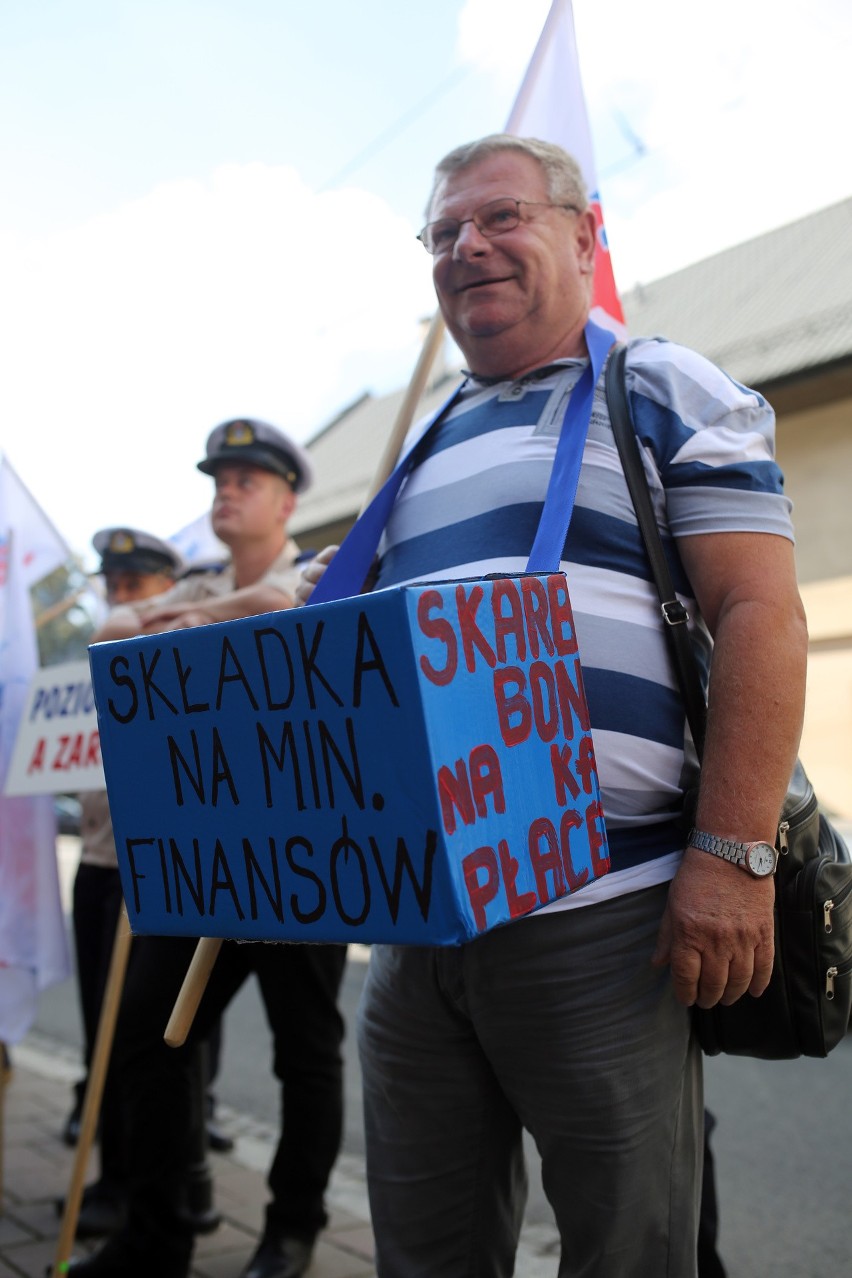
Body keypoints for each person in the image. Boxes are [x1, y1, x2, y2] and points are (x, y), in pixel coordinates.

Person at [298, 135, 808, 1277]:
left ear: (586, 234)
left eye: (500, 218)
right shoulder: (422, 438)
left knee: (628, 1252)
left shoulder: (660, 384)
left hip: (606, 914)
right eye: (443, 234)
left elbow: (763, 617)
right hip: (423, 929)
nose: (467, 246)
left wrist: (732, 858)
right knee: (426, 1255)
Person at [69, 419, 348, 1278]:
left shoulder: (325, 569)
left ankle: (293, 1228)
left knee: (305, 1051)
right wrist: (198, 606)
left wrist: (191, 616)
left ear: (287, 500)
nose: (226, 492)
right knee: (151, 1034)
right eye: (219, 480)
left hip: (304, 857)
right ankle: (161, 1228)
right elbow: (116, 630)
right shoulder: (197, 582)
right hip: (209, 858)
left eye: (246, 482)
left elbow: (277, 610)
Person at [64, 529, 183, 1236]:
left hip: (151, 867)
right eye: (114, 580)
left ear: (168, 582)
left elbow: (115, 629)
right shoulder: (117, 630)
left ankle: (140, 1184)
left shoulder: (186, 613)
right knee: (98, 1033)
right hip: (98, 863)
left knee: (138, 1039)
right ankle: (107, 1176)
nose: (120, 593)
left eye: (136, 581)